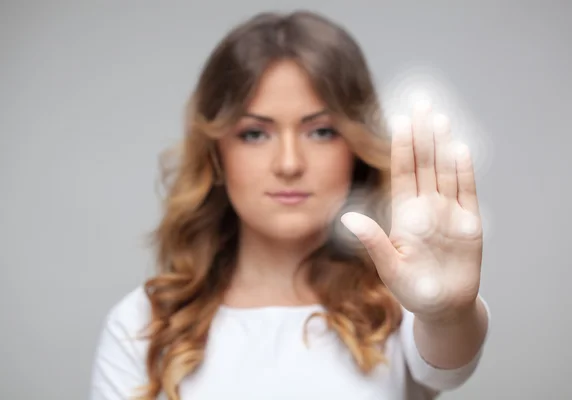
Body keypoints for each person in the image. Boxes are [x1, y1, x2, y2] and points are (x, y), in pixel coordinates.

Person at [89, 10, 490, 400]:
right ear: (216, 155)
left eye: (320, 131)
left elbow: (449, 359)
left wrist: (448, 314)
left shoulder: (399, 304)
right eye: (254, 134)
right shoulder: (142, 326)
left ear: (356, 147)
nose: (289, 164)